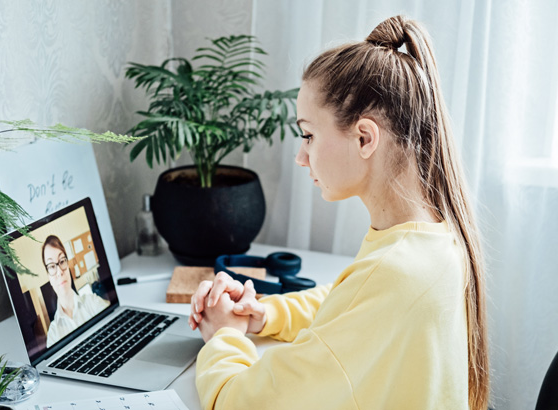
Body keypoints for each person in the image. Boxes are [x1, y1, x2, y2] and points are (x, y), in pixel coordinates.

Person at [188, 15, 489, 410]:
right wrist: (263, 313)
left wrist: (224, 335)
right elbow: (348, 300)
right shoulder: (431, 238)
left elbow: (238, 401)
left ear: (365, 137)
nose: (300, 156)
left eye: (308, 135)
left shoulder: (396, 272)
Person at [42, 235, 109, 347]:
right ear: (48, 276)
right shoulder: (53, 335)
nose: (59, 272)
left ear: (68, 266)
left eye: (62, 261)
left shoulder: (93, 302)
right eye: (52, 267)